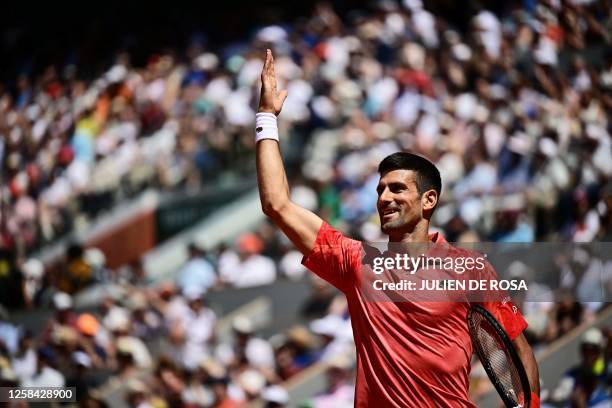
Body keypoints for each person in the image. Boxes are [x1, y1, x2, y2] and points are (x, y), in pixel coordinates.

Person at [255, 49, 540, 407]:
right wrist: (266, 116)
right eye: (379, 190)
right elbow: (276, 204)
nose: (384, 198)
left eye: (397, 188)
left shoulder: (471, 269)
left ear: (429, 201)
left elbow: (518, 350)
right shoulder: (356, 263)